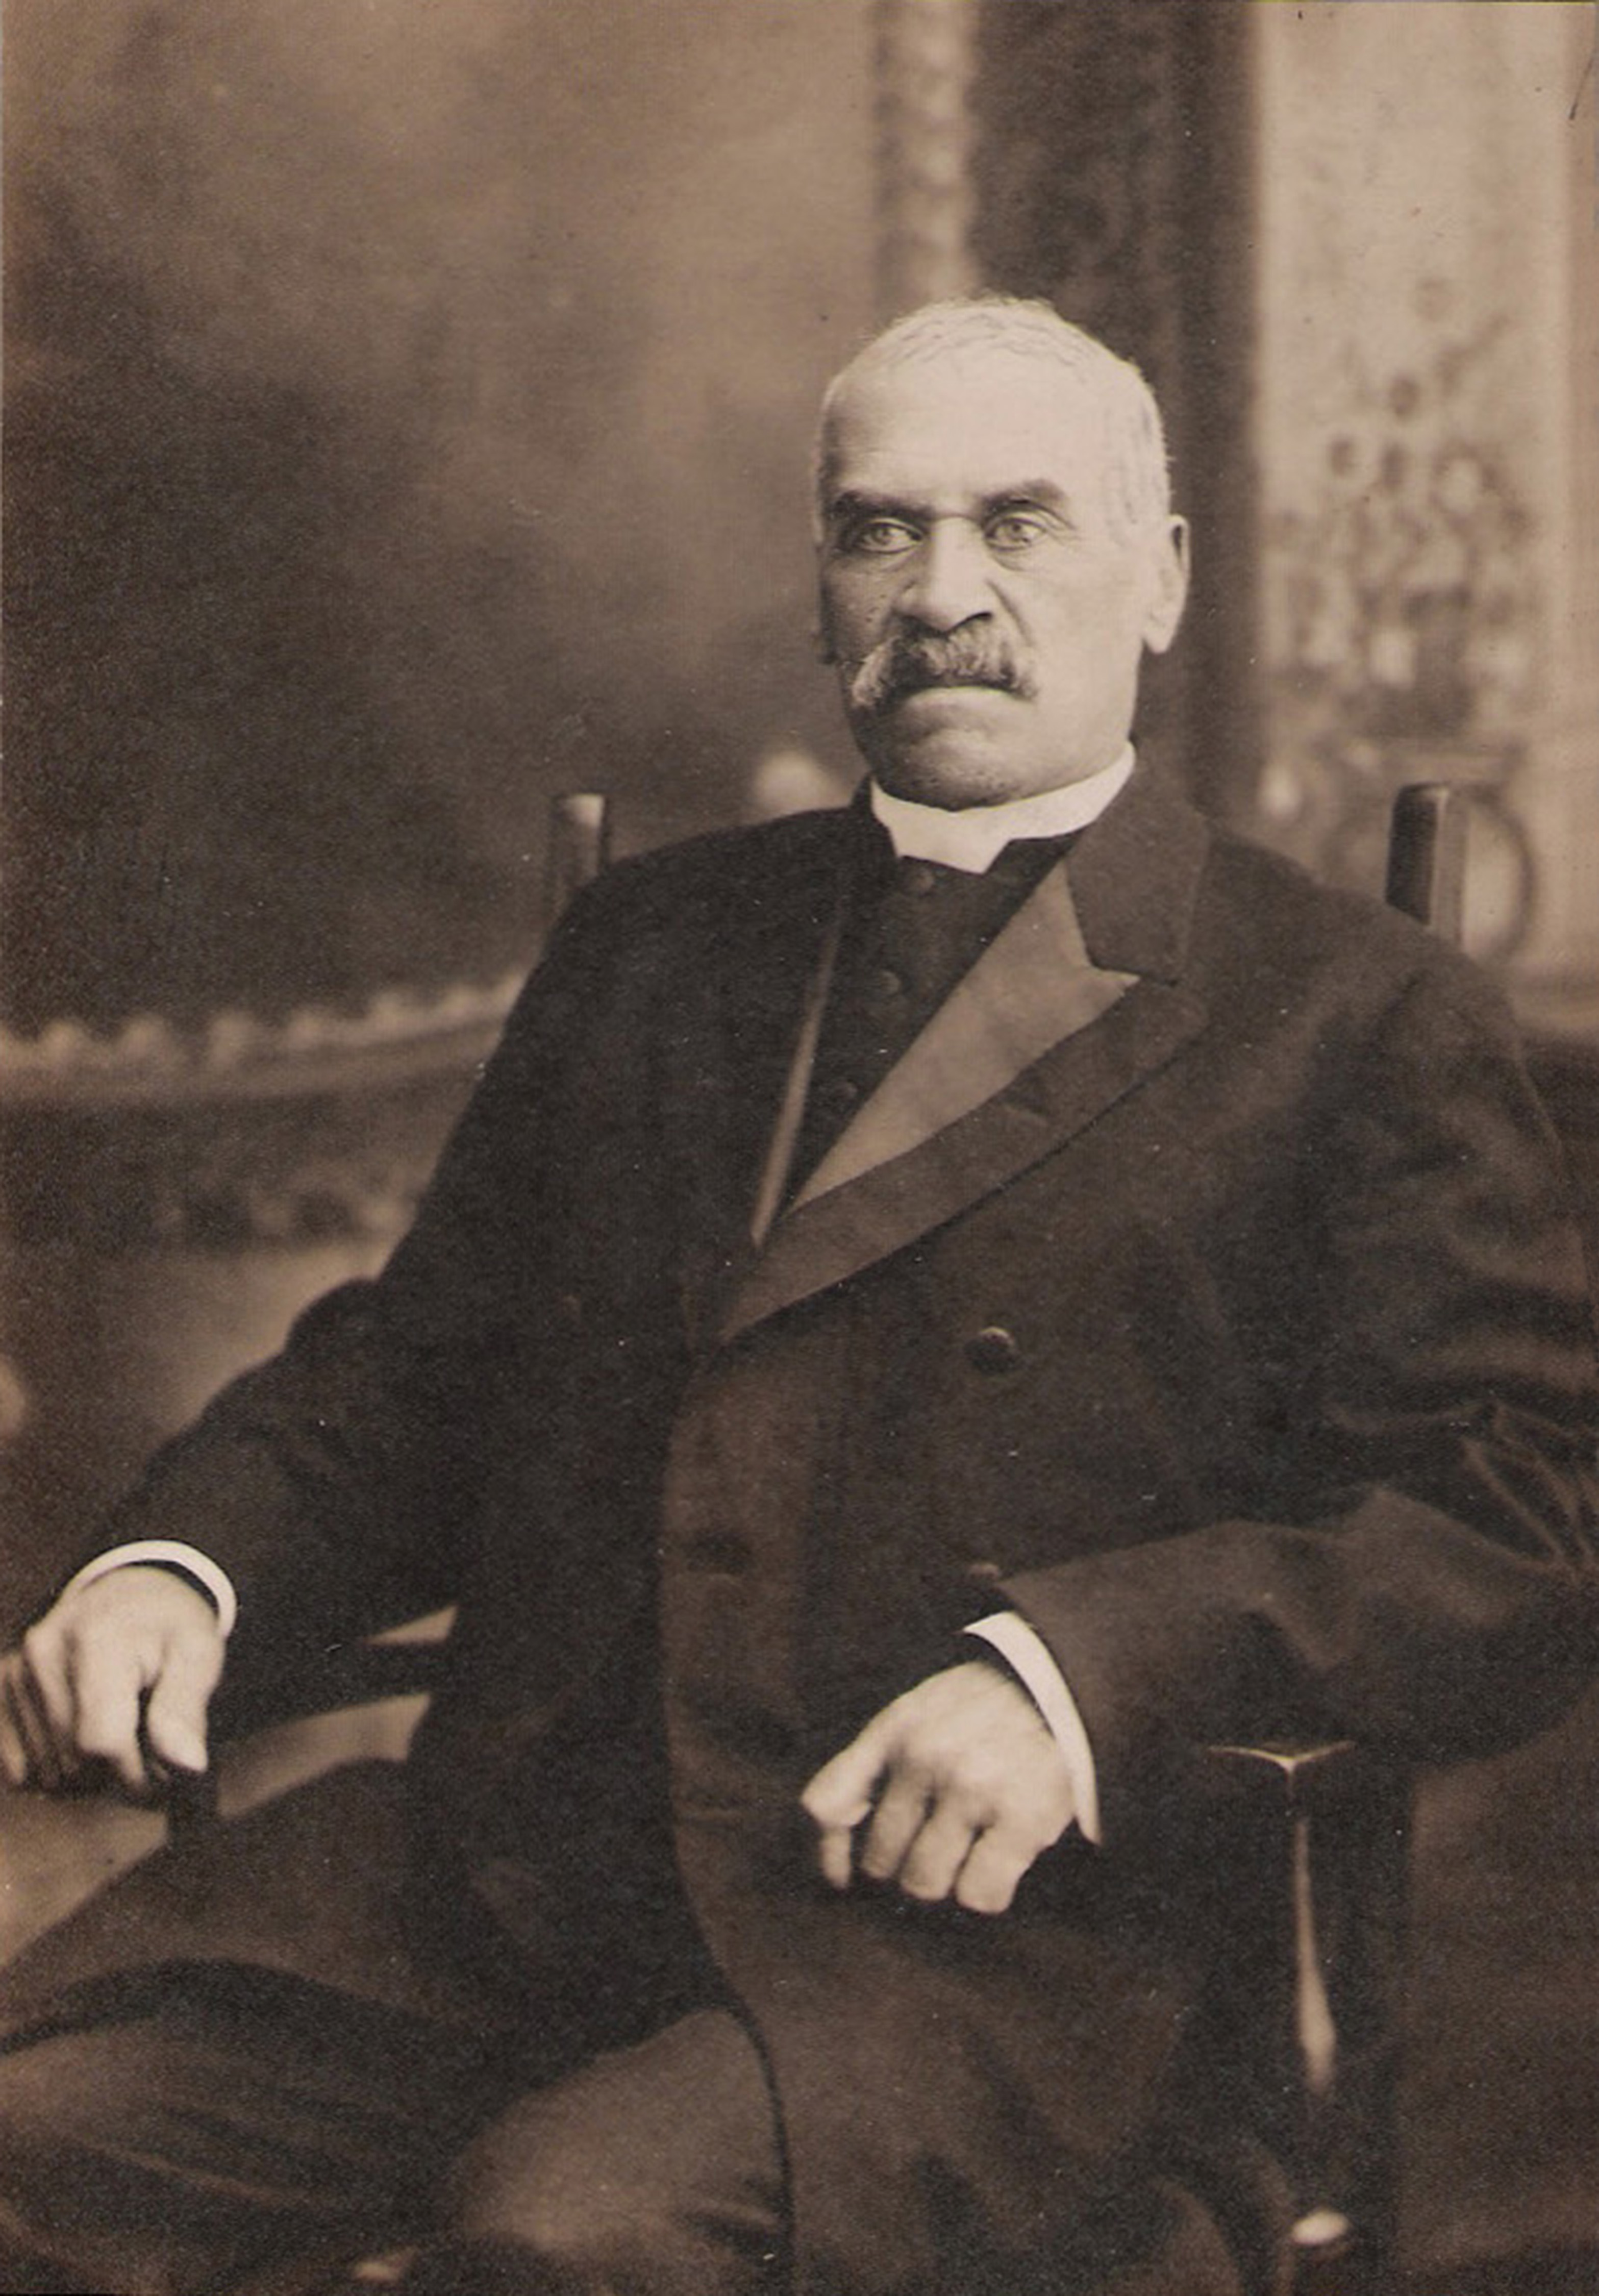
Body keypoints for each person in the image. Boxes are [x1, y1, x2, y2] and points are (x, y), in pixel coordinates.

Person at [2, 296, 1594, 2296]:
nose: (942, 595)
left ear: (1160, 576)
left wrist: (1075, 1682)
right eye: (880, 531)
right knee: (30, 2153)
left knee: (560, 2241)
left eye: (1018, 526)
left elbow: (1519, 1521)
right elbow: (418, 1381)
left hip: (974, 1960)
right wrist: (183, 1566)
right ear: (820, 582)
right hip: (516, 1890)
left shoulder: (1347, 1012)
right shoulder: (654, 946)